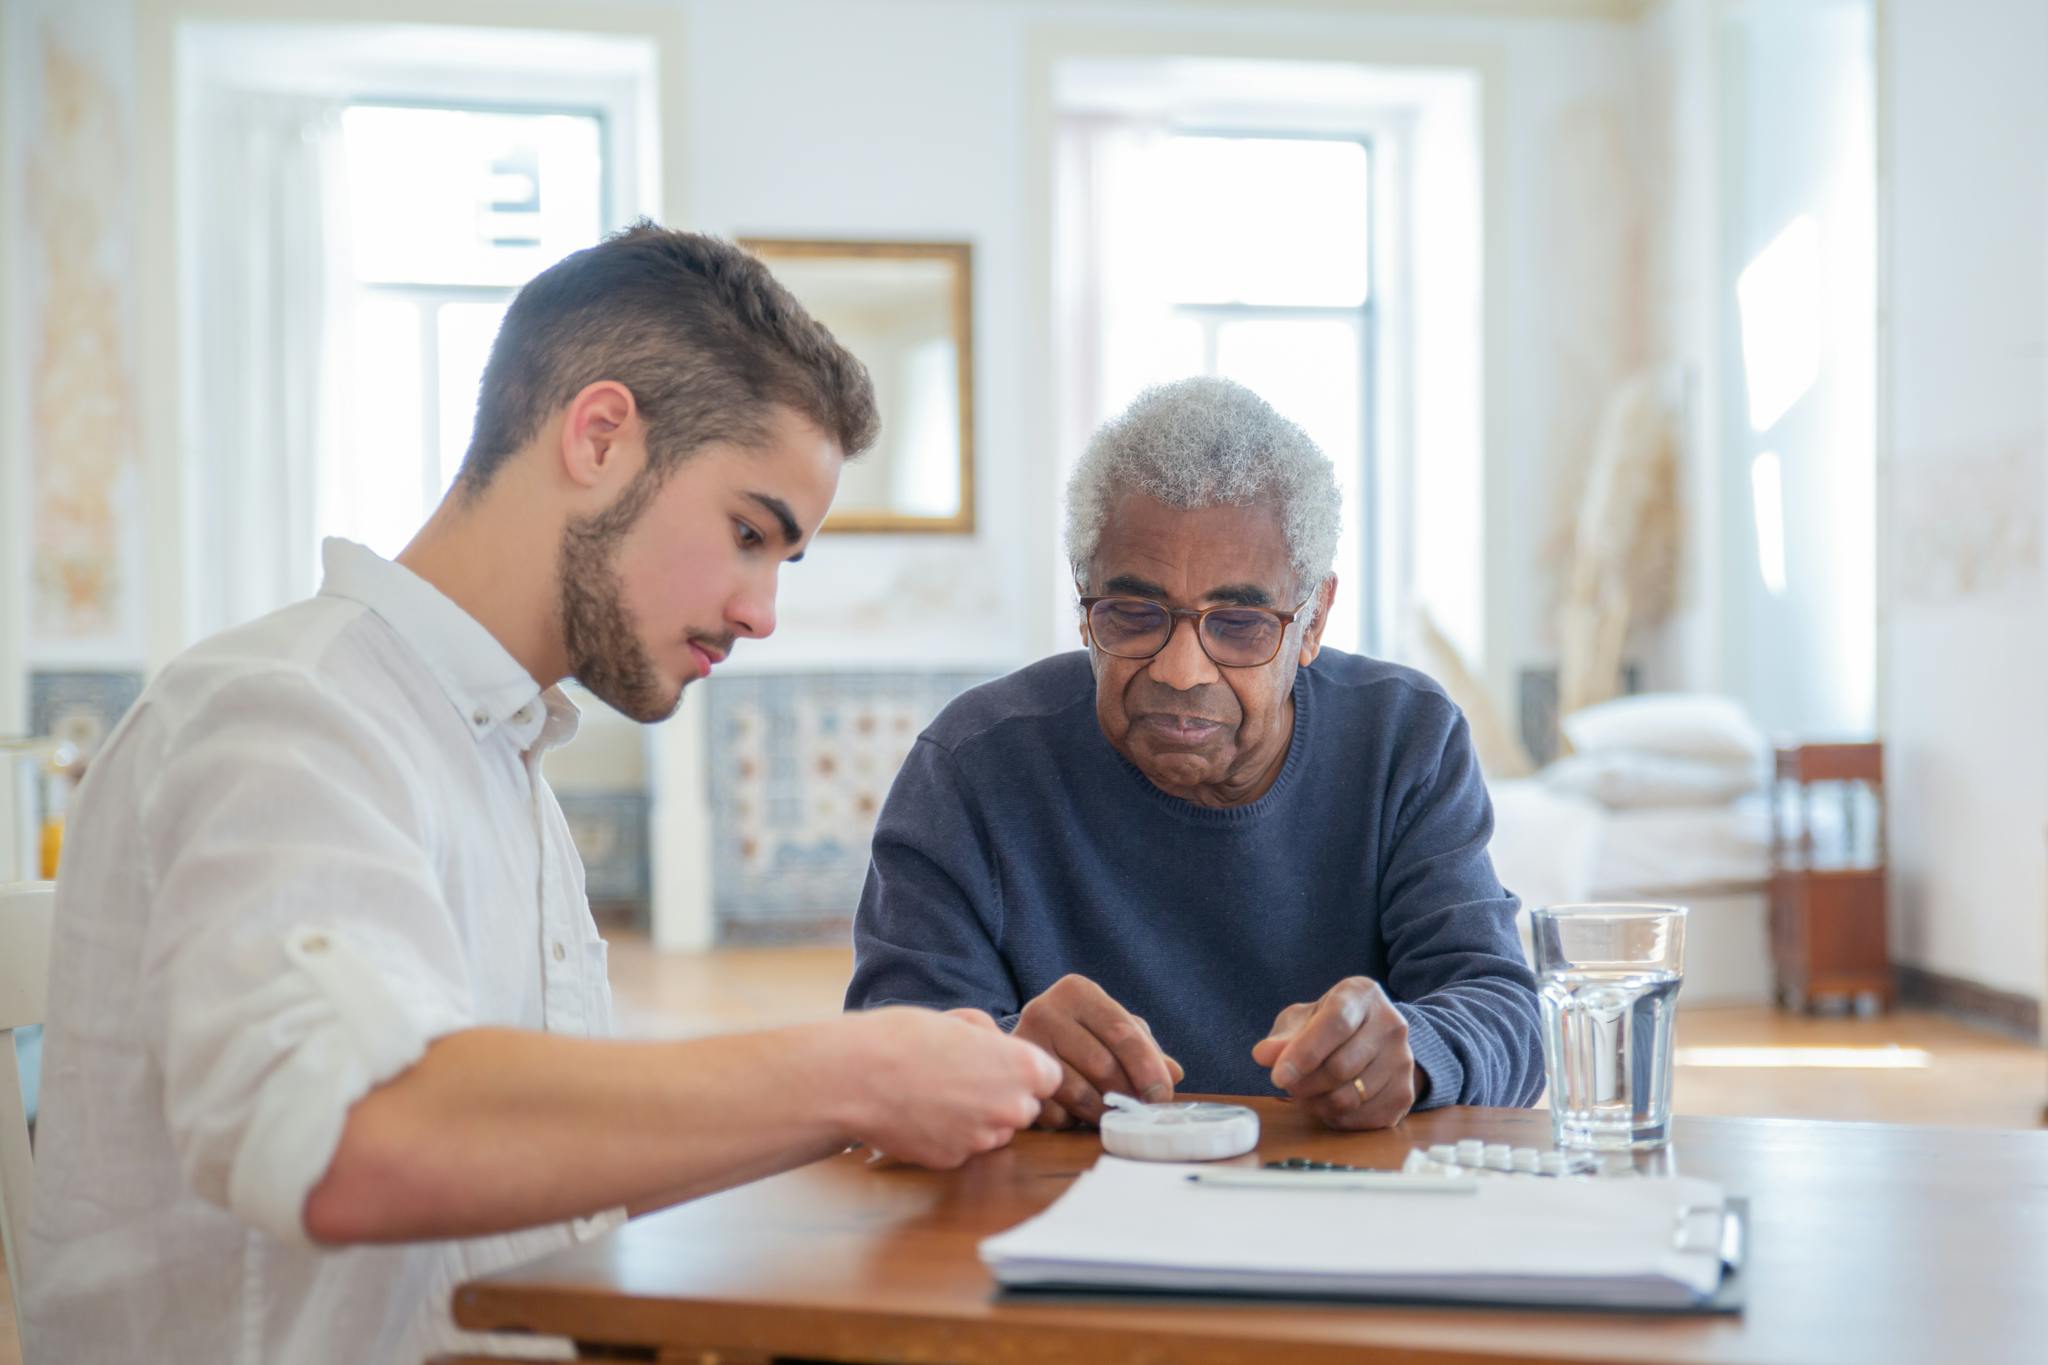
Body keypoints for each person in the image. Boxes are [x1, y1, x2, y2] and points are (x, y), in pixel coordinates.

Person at [24, 224, 1059, 1365]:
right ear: (601, 434)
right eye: (747, 532)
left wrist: (910, 1090)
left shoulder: (492, 753)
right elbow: (355, 1141)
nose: (762, 611)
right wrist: (854, 1073)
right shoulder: (285, 714)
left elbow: (555, 1180)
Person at [846, 376, 1542, 1132]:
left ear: (1313, 621)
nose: (1182, 670)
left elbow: (1506, 1014)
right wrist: (1010, 1053)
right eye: (1135, 614)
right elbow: (884, 1050)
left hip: (1333, 1207)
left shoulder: (1405, 741)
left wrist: (1416, 1051)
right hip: (1060, 1212)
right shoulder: (971, 768)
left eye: (1240, 622)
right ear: (1084, 602)